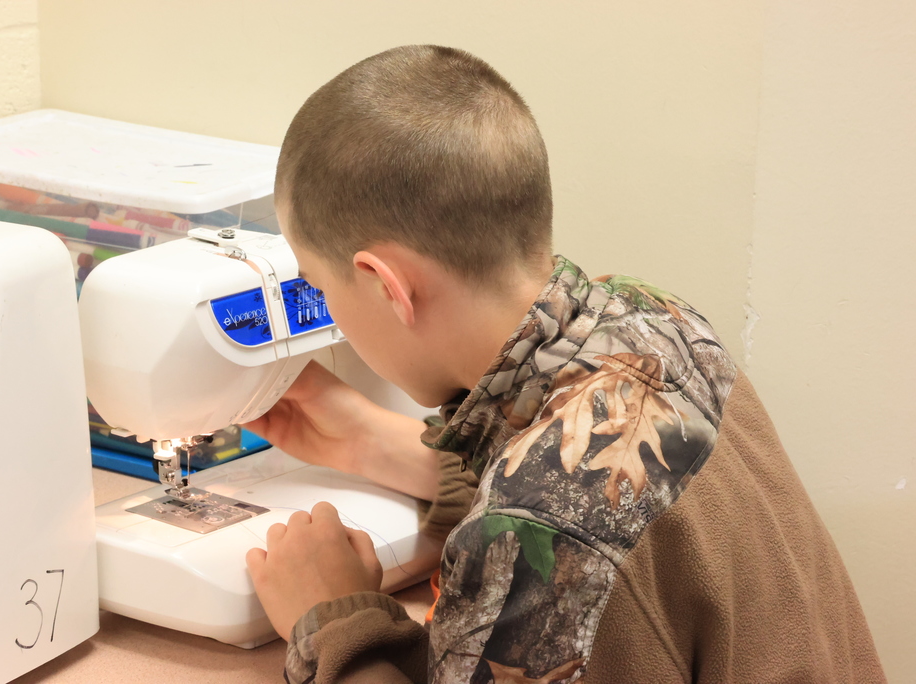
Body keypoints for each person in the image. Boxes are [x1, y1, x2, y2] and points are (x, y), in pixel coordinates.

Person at [243, 45, 885, 683]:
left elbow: (555, 525)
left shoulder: (532, 538)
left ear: (387, 285)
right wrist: (371, 440)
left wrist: (330, 624)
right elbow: (595, 484)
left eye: (319, 287)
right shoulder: (653, 316)